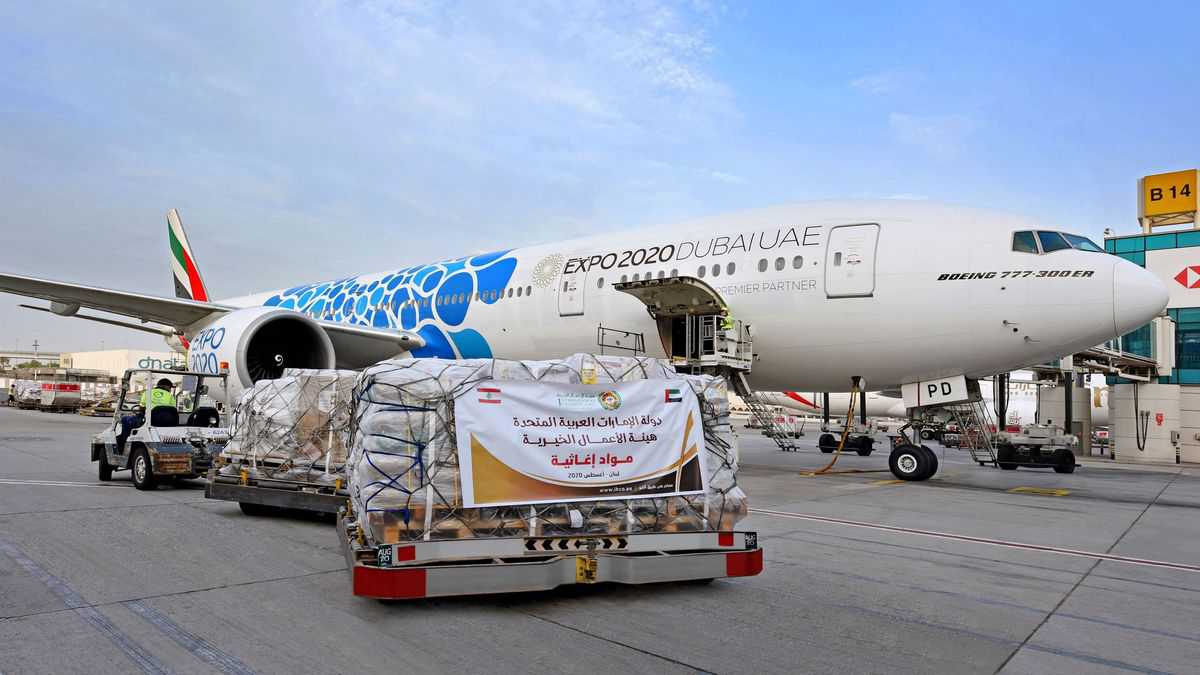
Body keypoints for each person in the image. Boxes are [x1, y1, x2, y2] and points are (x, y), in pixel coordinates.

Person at [117, 379, 176, 450]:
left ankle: (123, 444)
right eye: (169, 387)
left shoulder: (147, 393)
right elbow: (173, 410)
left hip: (149, 421)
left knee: (125, 419)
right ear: (166, 386)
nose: (170, 389)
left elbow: (141, 408)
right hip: (166, 422)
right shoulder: (170, 396)